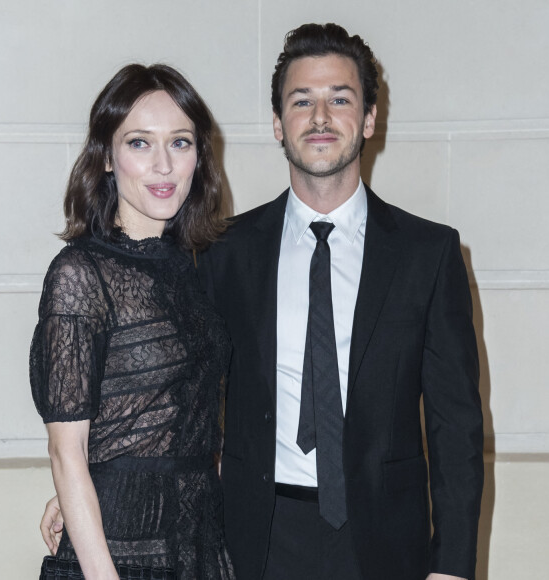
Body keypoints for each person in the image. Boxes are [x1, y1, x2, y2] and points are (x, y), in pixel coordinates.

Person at [42, 23, 484, 580]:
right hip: (251, 539)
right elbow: (170, 387)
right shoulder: (221, 251)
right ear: (278, 124)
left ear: (370, 118)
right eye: (302, 101)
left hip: (386, 542)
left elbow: (456, 428)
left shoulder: (429, 252)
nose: (320, 117)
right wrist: (93, 486)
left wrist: (453, 566)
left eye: (339, 99)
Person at [30, 63, 235, 579]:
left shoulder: (189, 269)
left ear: (198, 158)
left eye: (181, 143)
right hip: (118, 553)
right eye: (140, 143)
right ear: (106, 156)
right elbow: (66, 448)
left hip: (199, 545)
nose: (163, 165)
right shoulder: (80, 272)